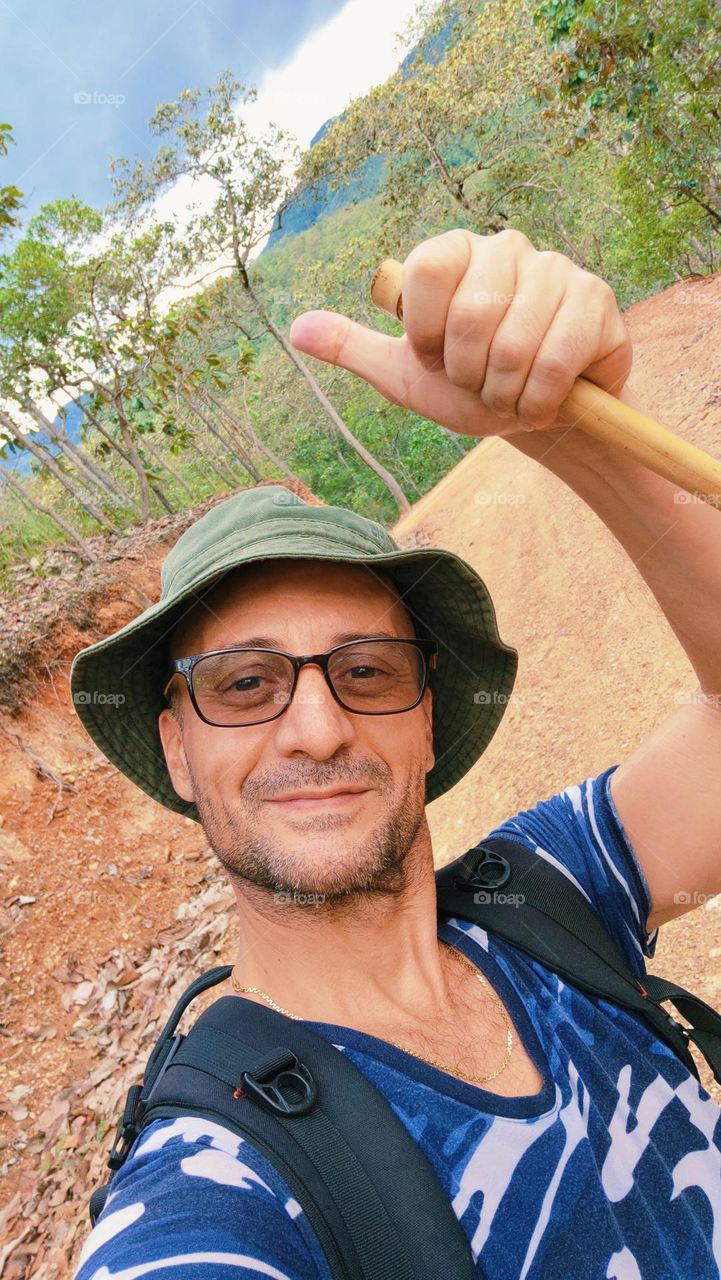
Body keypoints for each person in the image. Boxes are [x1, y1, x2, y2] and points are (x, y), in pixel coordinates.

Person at [71, 228, 721, 1280]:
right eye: (243, 683)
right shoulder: (216, 1189)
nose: (318, 727)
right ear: (176, 750)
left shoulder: (550, 896)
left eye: (366, 671)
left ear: (426, 718)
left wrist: (571, 435)